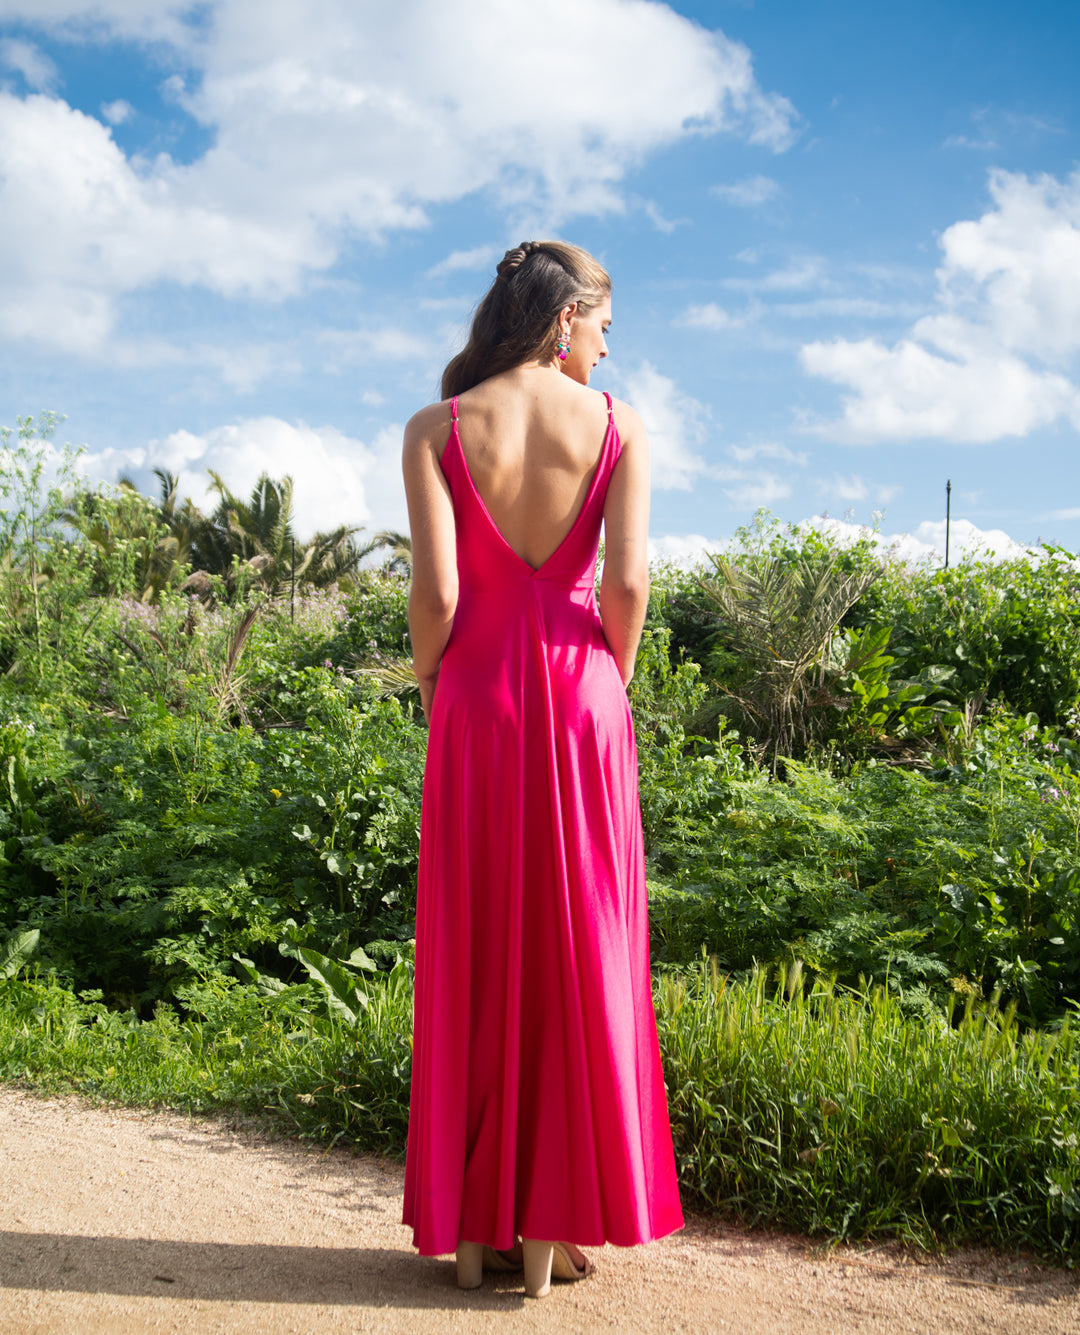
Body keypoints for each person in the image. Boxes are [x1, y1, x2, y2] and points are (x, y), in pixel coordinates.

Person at [400, 240, 683, 1300]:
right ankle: (559, 1225)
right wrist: (611, 684)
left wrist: (440, 685)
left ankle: (475, 1231)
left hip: (475, 696)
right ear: (565, 317)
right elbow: (631, 583)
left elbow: (435, 595)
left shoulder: (437, 428)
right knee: (581, 948)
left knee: (477, 944)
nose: (607, 348)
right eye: (604, 324)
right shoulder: (616, 428)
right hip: (580, 698)